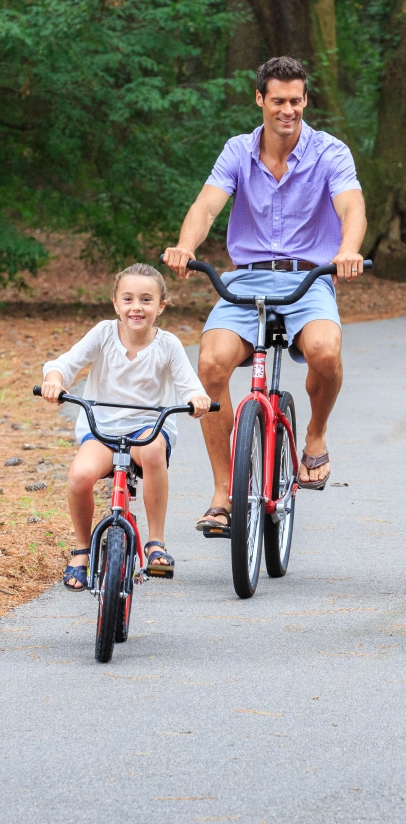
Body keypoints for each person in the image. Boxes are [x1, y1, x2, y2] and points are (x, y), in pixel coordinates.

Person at [163, 56, 366, 533]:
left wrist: (348, 250)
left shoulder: (330, 151)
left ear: (305, 100)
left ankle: (314, 434)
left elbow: (351, 206)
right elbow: (206, 204)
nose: (288, 110)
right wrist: (185, 246)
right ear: (260, 99)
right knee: (210, 365)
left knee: (324, 349)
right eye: (278, 101)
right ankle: (222, 492)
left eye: (296, 100)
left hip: (309, 277)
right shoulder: (238, 150)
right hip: (246, 278)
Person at [41, 264, 211, 589]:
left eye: (146, 300)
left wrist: (197, 400)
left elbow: (190, 385)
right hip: (101, 429)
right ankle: (81, 551)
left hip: (147, 428)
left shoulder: (168, 345)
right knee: (79, 476)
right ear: (116, 303)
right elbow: (66, 363)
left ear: (161, 306)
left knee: (151, 450)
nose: (136, 307)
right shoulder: (104, 333)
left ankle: (156, 542)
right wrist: (54, 381)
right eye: (128, 299)